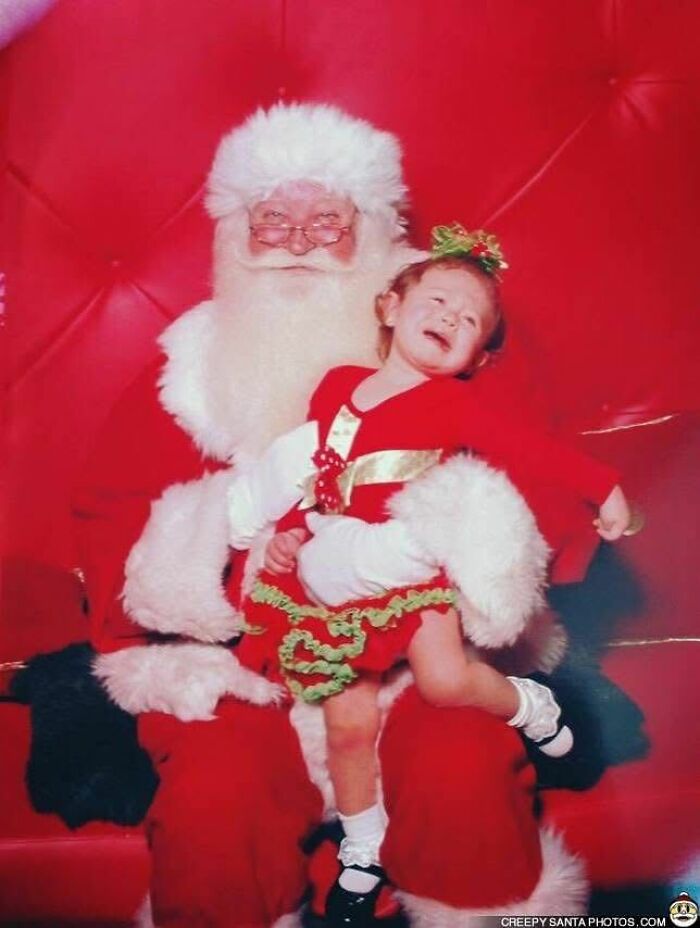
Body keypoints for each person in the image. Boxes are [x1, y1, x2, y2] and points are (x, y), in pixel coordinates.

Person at [75, 103, 593, 927]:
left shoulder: (450, 331)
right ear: (232, 236)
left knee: (463, 778)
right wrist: (232, 532)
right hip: (243, 664)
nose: (298, 243)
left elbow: (545, 495)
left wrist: (430, 538)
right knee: (213, 808)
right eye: (271, 219)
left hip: (418, 656)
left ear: (379, 239)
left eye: (328, 220)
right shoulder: (184, 368)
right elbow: (110, 522)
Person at [225, 236, 632, 919]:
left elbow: (532, 450)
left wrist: (605, 487)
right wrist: (292, 527)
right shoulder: (335, 386)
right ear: (390, 306)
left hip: (414, 570)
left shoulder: (457, 405)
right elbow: (322, 472)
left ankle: (529, 704)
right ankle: (364, 846)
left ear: (478, 356)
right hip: (334, 577)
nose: (450, 317)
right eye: (438, 300)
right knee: (348, 724)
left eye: (470, 319)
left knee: (444, 682)